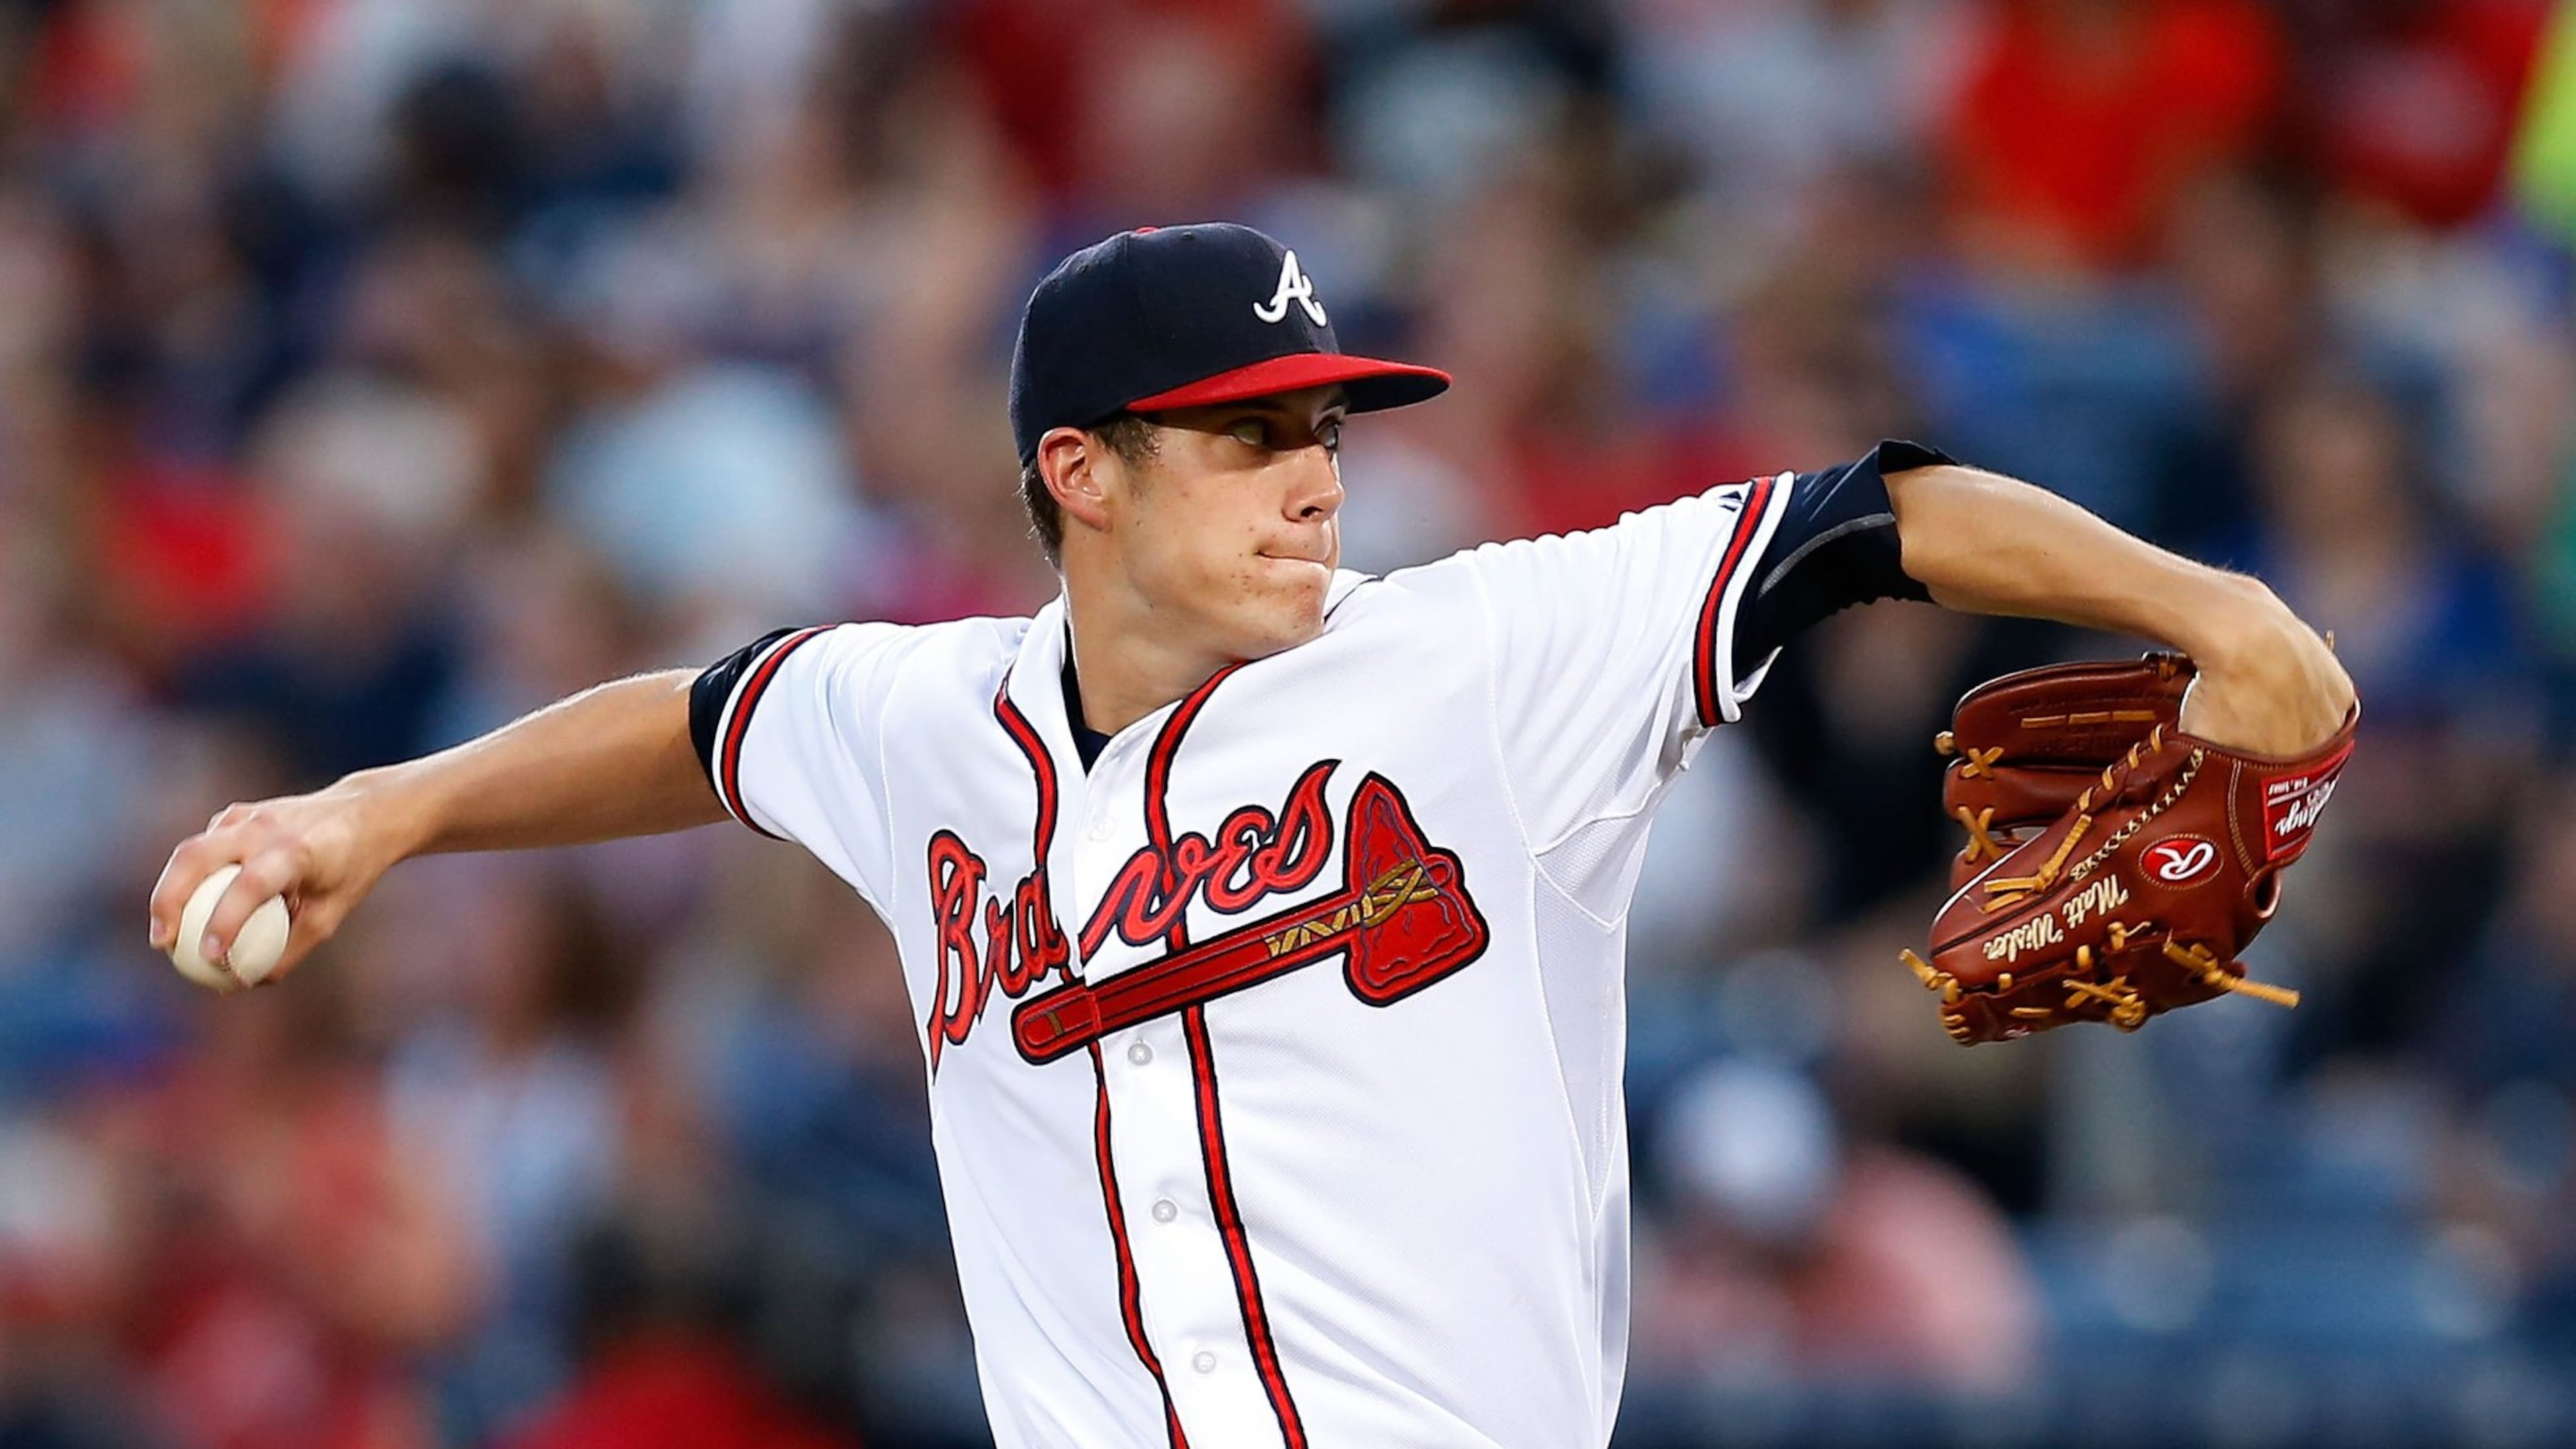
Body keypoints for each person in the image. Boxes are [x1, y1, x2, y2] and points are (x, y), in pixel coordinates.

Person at [150, 223, 2353, 1447]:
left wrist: (2213, 608)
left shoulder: (1490, 655)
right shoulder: (932, 715)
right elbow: (708, 720)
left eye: (1325, 429)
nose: (1317, 475)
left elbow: (1882, 517)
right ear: (1081, 474)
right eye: (1246, 441)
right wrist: (384, 809)